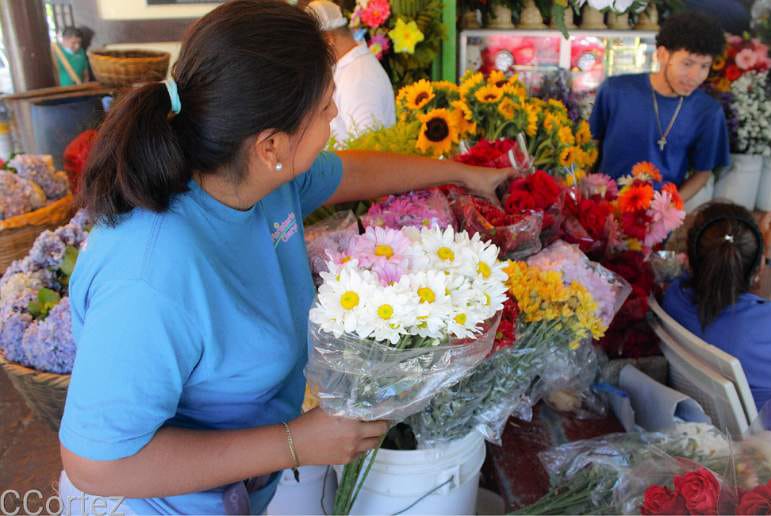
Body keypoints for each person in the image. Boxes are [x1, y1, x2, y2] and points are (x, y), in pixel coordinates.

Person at [57, 2, 512, 514]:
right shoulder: (151, 276)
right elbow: (96, 464)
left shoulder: (259, 179)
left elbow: (348, 174)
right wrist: (295, 442)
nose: (336, 114)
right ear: (270, 144)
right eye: (324, 108)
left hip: (241, 492)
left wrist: (459, 173)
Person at [663, 202, 771, 438]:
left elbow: (753, 317)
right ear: (758, 267)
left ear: (689, 258)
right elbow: (764, 322)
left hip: (749, 429)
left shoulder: (675, 297)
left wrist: (766, 262)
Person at [589, 12, 729, 202]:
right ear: (662, 55)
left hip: (658, 217)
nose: (695, 76)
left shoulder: (708, 112)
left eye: (704, 66)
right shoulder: (615, 90)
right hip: (602, 204)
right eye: (687, 64)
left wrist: (668, 209)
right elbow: (591, 145)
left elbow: (702, 173)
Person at [306, 0, 396, 144]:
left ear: (329, 39)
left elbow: (368, 146)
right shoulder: (349, 69)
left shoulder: (359, 77)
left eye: (311, 45)